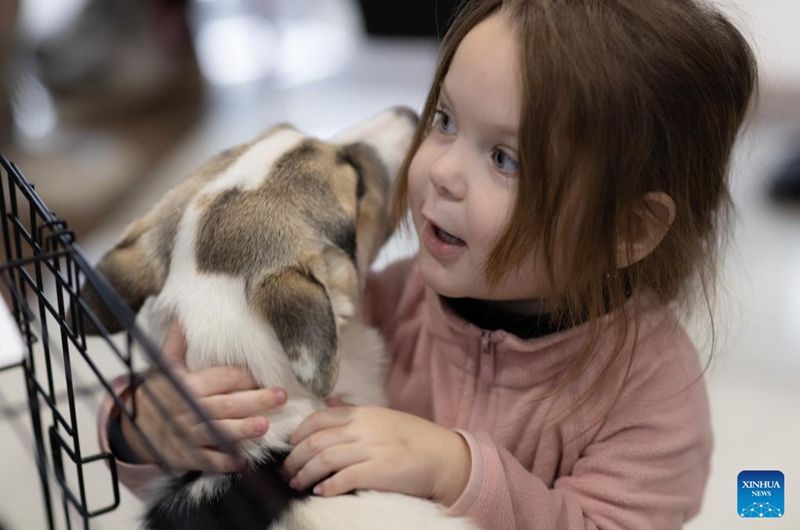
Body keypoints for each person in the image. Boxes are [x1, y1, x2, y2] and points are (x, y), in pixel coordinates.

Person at [97, 0, 758, 528]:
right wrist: (141, 424)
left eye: (504, 159)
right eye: (444, 119)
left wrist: (457, 469)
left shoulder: (650, 393)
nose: (440, 171)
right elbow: (236, 405)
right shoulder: (393, 297)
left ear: (626, 229)